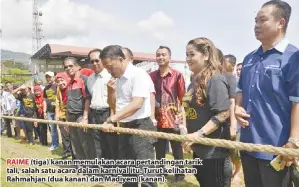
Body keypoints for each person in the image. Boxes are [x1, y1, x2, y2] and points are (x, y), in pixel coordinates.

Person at [235, 1, 299, 187]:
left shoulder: (293, 58)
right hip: (247, 144)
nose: (256, 25)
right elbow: (240, 90)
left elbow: (297, 102)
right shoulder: (249, 58)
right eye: (255, 21)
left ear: (281, 22)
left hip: (277, 149)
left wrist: (293, 142)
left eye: (262, 20)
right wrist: (238, 107)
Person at [100, 45, 157, 187]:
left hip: (141, 127)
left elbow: (137, 103)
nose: (109, 71)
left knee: (146, 172)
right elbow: (114, 106)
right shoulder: (118, 78)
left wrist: (111, 119)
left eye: (110, 67)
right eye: (106, 68)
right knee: (127, 170)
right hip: (124, 127)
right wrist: (110, 91)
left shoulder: (138, 75)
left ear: (120, 59)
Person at [182, 37, 232, 187]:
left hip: (214, 152)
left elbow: (223, 113)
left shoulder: (215, 80)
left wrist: (198, 134)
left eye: (192, 54)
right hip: (199, 149)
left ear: (206, 55)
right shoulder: (194, 81)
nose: (188, 59)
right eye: (186, 55)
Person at [149, 46, 186, 182]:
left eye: (163, 55)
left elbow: (182, 99)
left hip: (173, 118)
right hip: (157, 119)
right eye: (158, 55)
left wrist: (181, 119)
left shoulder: (177, 75)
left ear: (169, 57)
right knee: (159, 150)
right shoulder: (151, 76)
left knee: (177, 149)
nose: (160, 57)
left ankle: (179, 175)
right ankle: (160, 173)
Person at [87, 49, 118, 162]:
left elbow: (115, 99)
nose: (94, 63)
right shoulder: (90, 79)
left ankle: (114, 170)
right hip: (94, 114)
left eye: (97, 60)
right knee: (97, 143)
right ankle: (102, 169)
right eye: (92, 61)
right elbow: (90, 97)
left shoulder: (111, 76)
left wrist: (111, 119)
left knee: (111, 143)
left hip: (108, 113)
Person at [63, 57, 94, 163]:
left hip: (81, 116)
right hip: (71, 117)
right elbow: (69, 102)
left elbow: (87, 99)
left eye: (70, 66)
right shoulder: (68, 83)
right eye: (66, 67)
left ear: (77, 67)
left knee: (85, 143)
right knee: (75, 143)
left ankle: (89, 167)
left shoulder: (84, 79)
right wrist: (67, 120)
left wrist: (85, 118)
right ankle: (80, 165)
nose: (68, 68)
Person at [55, 72, 73, 159]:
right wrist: (57, 114)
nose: (60, 83)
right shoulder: (58, 89)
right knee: (63, 133)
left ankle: (74, 151)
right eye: (58, 81)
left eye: (62, 80)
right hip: (62, 113)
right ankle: (67, 151)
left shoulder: (71, 86)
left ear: (66, 79)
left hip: (71, 113)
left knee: (72, 134)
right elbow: (58, 101)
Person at [43, 71, 59, 151]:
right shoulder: (45, 88)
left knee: (63, 129)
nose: (48, 78)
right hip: (49, 112)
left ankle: (67, 147)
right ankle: (55, 144)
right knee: (52, 129)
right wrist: (44, 112)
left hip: (58, 111)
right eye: (47, 77)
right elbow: (45, 101)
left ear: (53, 77)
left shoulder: (57, 86)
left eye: (50, 77)